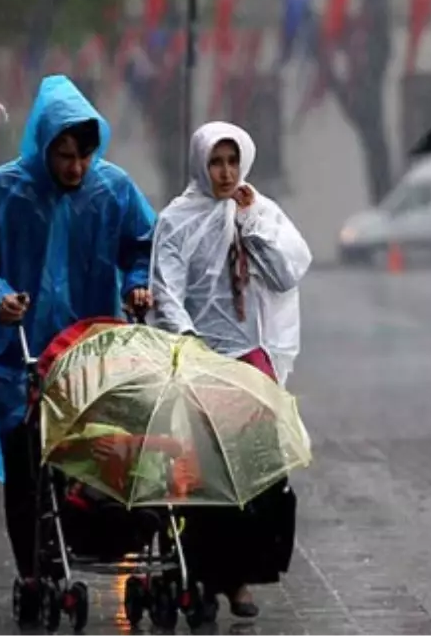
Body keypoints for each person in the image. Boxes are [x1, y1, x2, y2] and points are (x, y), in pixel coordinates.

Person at [0, 74, 155, 624]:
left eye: (83, 157)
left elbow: (145, 244)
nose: (75, 169)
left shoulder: (113, 190)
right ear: (43, 146)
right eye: (63, 156)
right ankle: (36, 570)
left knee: (93, 461)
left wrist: (137, 281)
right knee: (26, 466)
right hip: (21, 358)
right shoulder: (3, 191)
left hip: (90, 355)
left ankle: (83, 546)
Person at [149, 121, 311, 617]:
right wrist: (188, 342)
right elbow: (166, 289)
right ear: (202, 163)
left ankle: (243, 577)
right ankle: (207, 573)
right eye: (216, 162)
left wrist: (251, 224)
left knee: (258, 477)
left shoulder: (257, 211)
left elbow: (285, 273)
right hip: (199, 362)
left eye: (232, 162)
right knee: (206, 478)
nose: (224, 173)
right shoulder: (177, 220)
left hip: (250, 359)